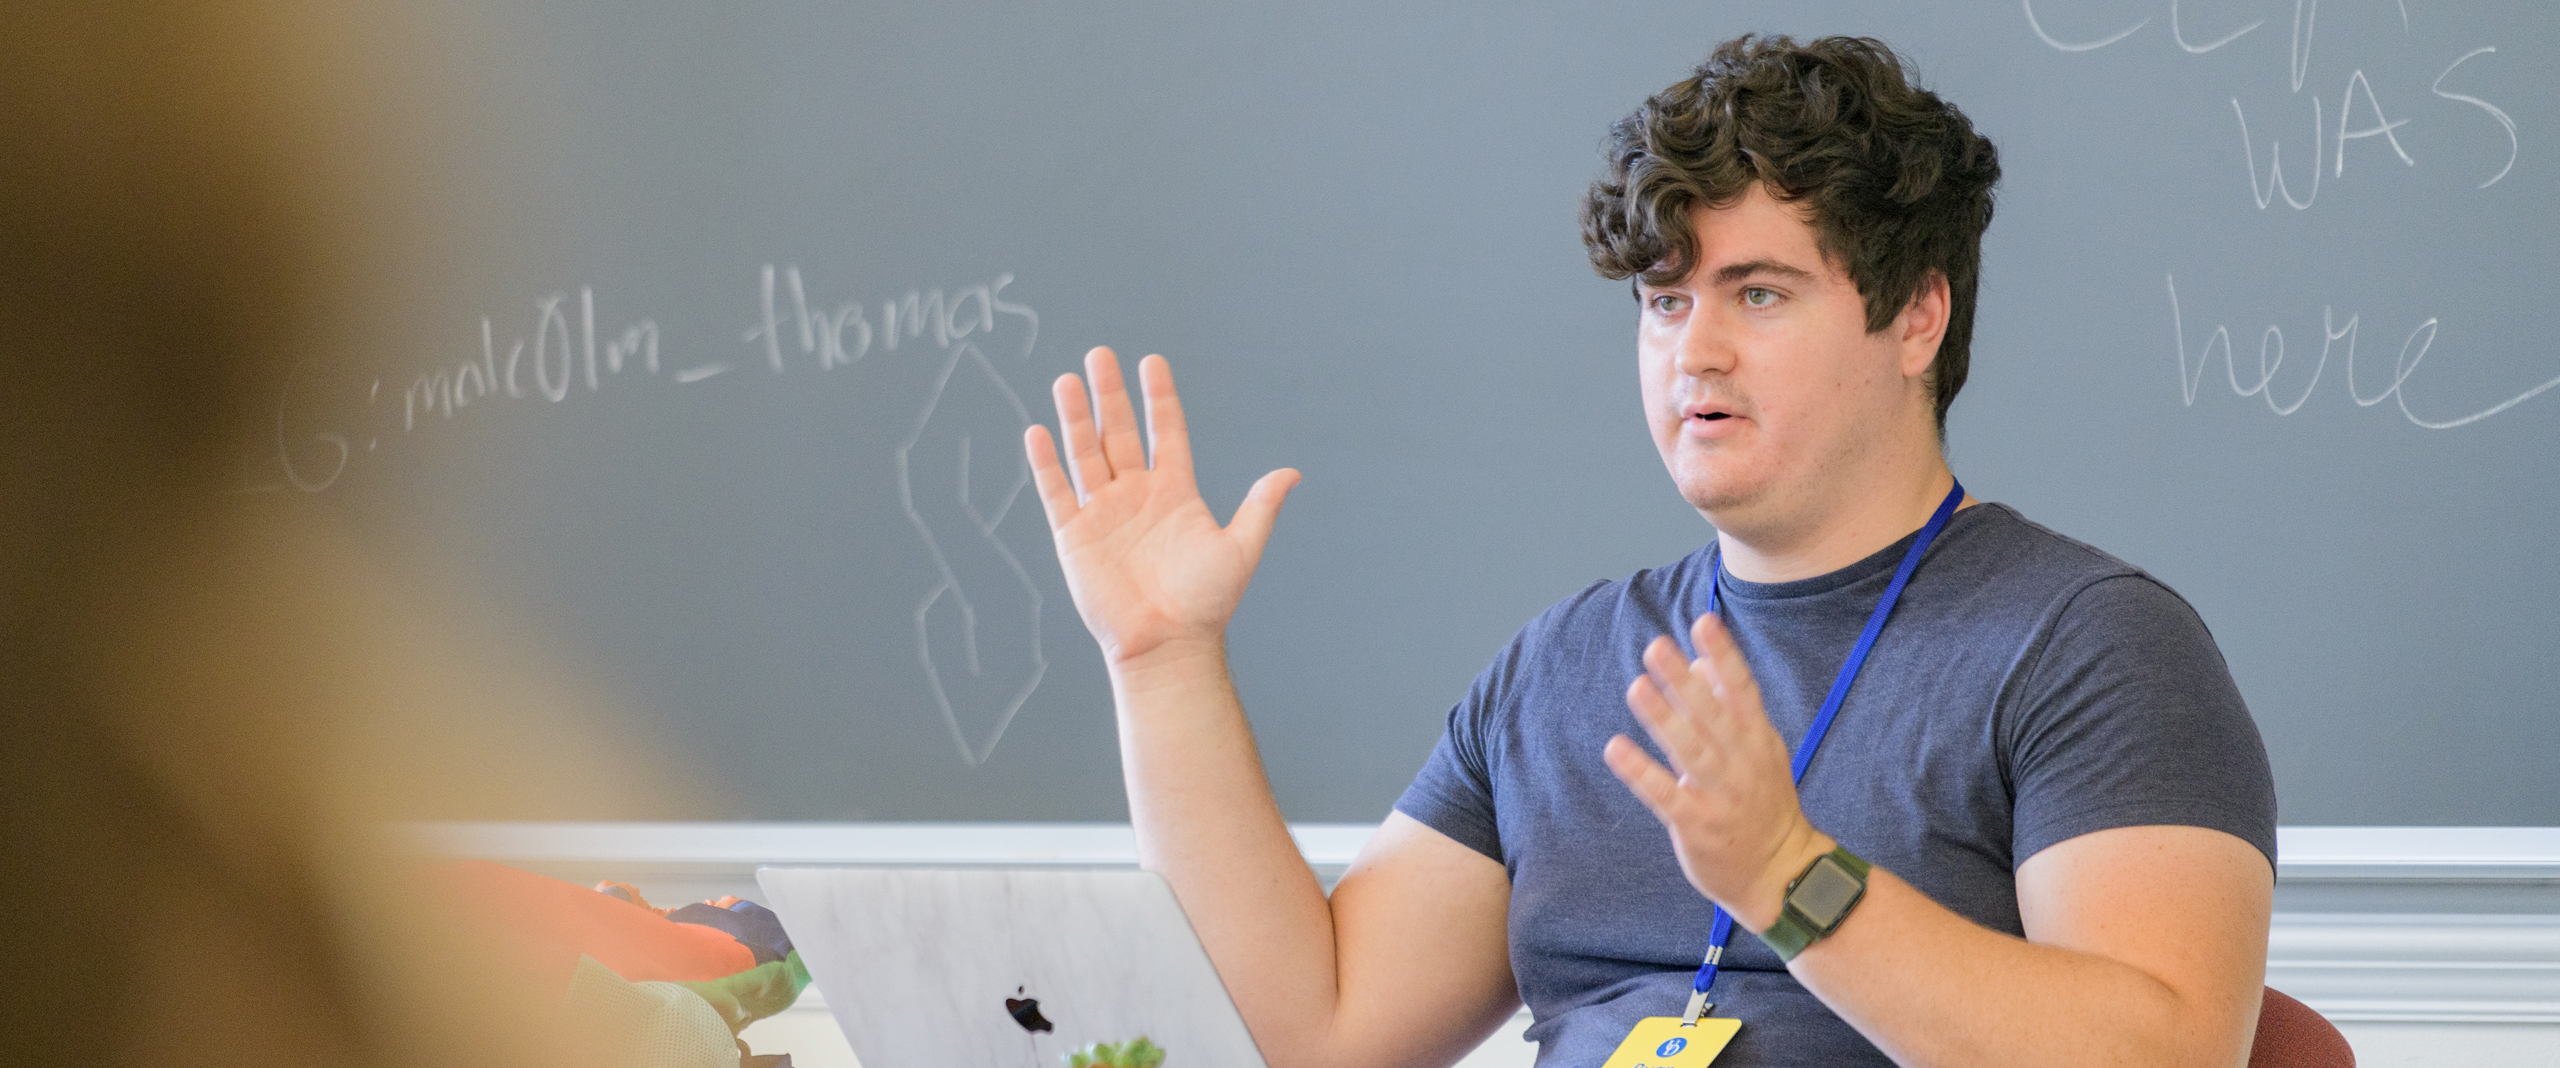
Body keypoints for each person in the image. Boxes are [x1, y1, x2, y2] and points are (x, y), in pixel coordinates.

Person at [1023, 34, 2275, 1068]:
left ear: (1915, 317)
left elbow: (2162, 1052)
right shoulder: (1565, 666)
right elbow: (1313, 1035)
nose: (1695, 352)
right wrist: (1162, 660)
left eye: (1759, 294)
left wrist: (1791, 879)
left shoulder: (2095, 647)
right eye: (1665, 302)